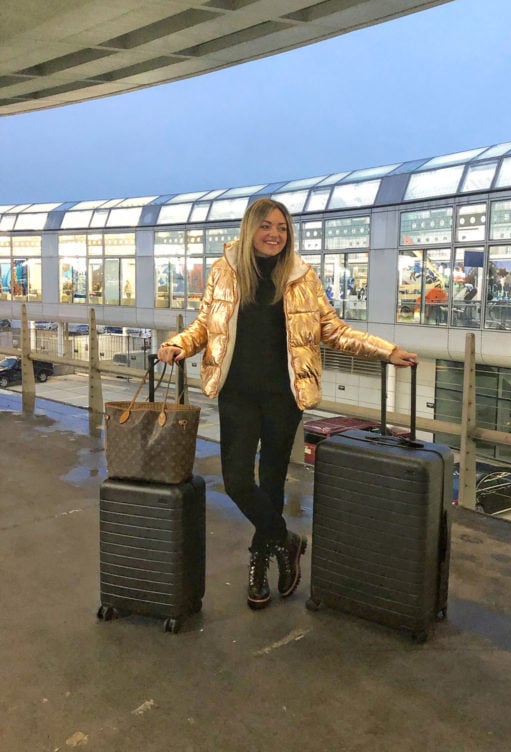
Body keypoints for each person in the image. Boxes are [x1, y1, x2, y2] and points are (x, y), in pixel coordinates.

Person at [157, 198, 417, 610]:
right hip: (237, 393)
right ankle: (285, 540)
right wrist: (178, 344)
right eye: (266, 226)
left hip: (284, 396)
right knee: (237, 481)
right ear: (250, 229)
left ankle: (260, 562)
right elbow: (205, 325)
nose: (274, 234)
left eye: (281, 227)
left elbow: (332, 329)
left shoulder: (301, 276)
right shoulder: (224, 271)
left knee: (272, 483)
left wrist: (386, 350)